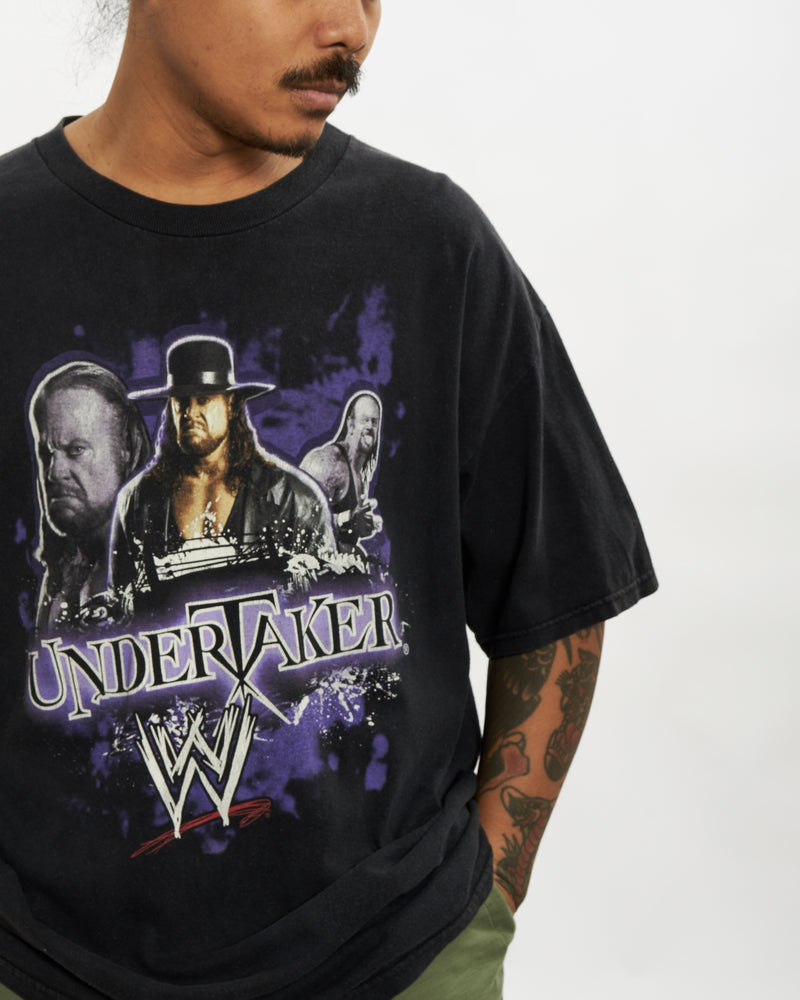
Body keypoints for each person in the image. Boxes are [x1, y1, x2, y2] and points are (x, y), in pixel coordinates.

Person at [0, 3, 657, 999]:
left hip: (393, 963)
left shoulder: (426, 243)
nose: (349, 25)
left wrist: (482, 898)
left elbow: (559, 588)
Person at [110, 332, 334, 611]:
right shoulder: (138, 501)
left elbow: (331, 600)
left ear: (231, 404)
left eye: (203, 400)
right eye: (181, 401)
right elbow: (120, 611)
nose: (190, 413)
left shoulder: (291, 497)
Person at [28, 360, 151, 634]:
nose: (54, 473)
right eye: (46, 454)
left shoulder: (165, 569)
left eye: (76, 450)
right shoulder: (61, 579)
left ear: (126, 450)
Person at [301, 390, 383, 550]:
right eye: (364, 420)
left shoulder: (358, 473)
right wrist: (347, 518)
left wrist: (361, 526)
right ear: (350, 425)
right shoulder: (329, 462)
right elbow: (301, 520)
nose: (369, 427)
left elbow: (342, 529)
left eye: (374, 422)